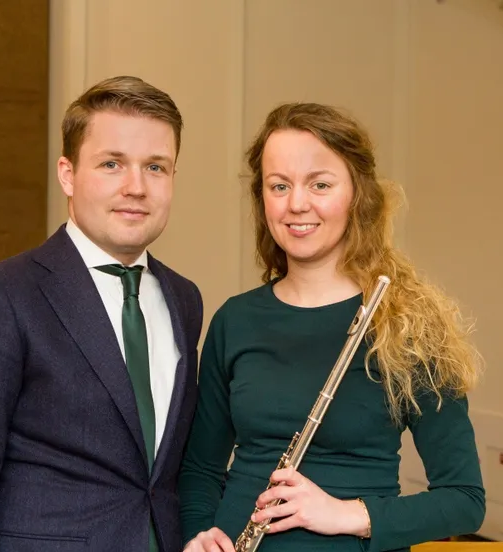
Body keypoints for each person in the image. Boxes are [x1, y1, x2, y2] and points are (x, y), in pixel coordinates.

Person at [179, 102, 485, 552]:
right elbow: (200, 471)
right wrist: (198, 535)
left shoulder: (406, 324)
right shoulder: (235, 320)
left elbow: (464, 500)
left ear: (358, 195)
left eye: (320, 184)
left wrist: (345, 513)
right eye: (279, 186)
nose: (296, 204)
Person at [0, 76, 204, 552]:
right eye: (111, 164)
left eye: (155, 167)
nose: (136, 187)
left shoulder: (183, 298)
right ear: (67, 174)